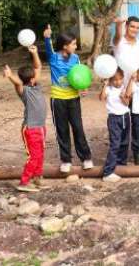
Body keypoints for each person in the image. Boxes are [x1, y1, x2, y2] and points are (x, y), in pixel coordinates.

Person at [43, 25, 93, 173]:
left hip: (73, 99)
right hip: (58, 99)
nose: (76, 46)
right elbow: (48, 47)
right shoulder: (53, 57)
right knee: (62, 130)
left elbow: (80, 76)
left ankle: (86, 158)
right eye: (74, 44)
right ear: (65, 46)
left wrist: (83, 88)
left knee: (78, 128)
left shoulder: (76, 58)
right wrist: (47, 37)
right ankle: (66, 160)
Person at [3, 45, 48, 192]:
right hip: (30, 128)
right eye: (35, 74)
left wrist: (34, 53)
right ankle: (24, 182)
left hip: (41, 127)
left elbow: (38, 66)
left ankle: (37, 178)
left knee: (40, 154)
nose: (38, 73)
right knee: (33, 156)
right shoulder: (24, 91)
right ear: (32, 78)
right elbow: (17, 83)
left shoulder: (37, 86)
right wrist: (9, 76)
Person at [99, 68, 132, 183]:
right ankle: (108, 172)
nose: (118, 82)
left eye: (120, 79)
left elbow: (127, 103)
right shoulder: (108, 89)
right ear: (111, 80)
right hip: (114, 118)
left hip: (125, 117)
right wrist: (105, 85)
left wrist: (123, 98)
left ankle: (121, 165)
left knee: (125, 142)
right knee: (115, 144)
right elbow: (101, 98)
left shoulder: (124, 88)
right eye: (115, 80)